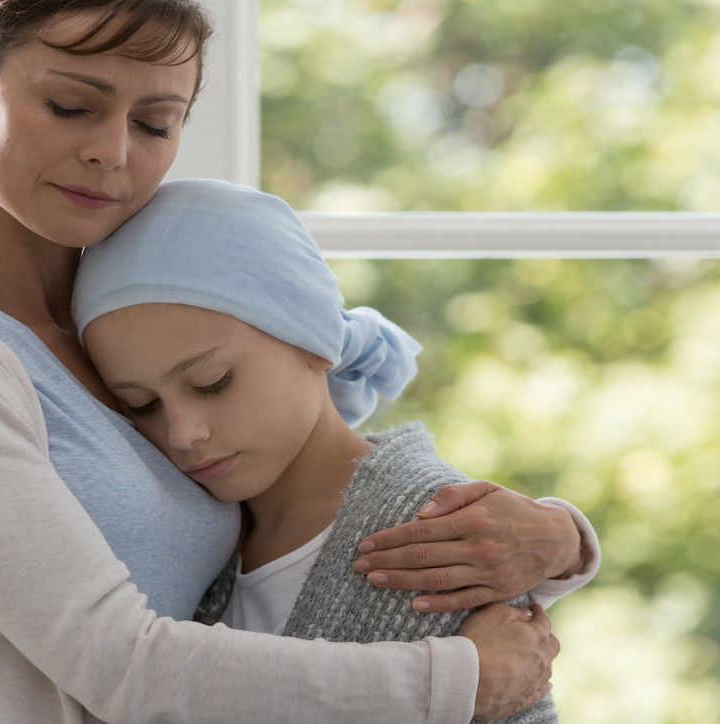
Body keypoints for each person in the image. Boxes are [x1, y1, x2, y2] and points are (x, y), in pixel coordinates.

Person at [0, 1, 597, 722]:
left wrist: (560, 540)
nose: (110, 152)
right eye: (71, 107)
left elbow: (313, 463)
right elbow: (123, 665)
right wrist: (461, 680)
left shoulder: (125, 329)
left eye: (156, 123)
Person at [71, 178, 600, 724]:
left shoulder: (442, 533)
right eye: (142, 405)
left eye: (212, 382)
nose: (181, 433)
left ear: (314, 337)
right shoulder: (198, 534)